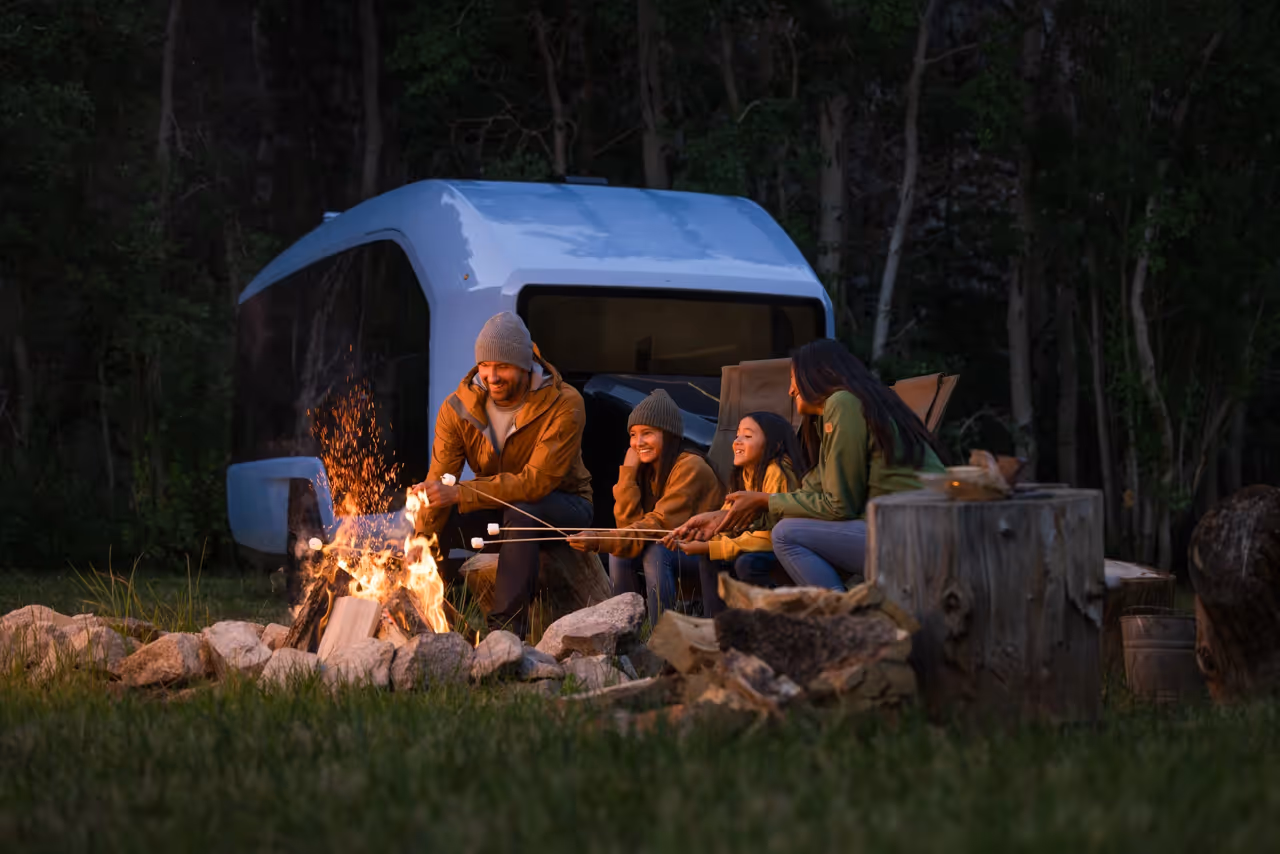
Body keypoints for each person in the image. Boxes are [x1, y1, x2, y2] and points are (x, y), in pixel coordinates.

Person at [669, 339, 945, 591]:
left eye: (794, 380)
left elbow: (838, 506)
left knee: (786, 534)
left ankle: (837, 615)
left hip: (915, 535)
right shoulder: (843, 414)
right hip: (900, 529)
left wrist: (765, 501)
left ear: (819, 374)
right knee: (787, 530)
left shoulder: (842, 403)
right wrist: (721, 517)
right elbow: (809, 496)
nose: (791, 391)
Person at [411, 311, 592, 639]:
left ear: (525, 366)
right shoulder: (457, 408)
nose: (491, 376)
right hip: (498, 506)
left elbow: (537, 483)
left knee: (523, 511)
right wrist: (421, 539)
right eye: (484, 365)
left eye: (502, 366)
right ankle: (437, 628)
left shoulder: (564, 403)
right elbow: (438, 482)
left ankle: (505, 633)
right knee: (437, 523)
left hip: (563, 506)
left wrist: (461, 493)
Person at [568, 389, 723, 624]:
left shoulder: (691, 467)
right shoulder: (646, 470)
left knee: (655, 551)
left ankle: (659, 632)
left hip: (706, 554)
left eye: (647, 433)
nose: (638, 443)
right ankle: (624, 629)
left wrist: (600, 539)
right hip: (672, 548)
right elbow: (629, 531)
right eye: (633, 434)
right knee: (621, 552)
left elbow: (658, 525)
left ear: (668, 434)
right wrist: (628, 475)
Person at [675, 411, 804, 617]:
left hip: (785, 548)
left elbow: (774, 537)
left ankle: (772, 621)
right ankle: (717, 626)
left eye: (748, 436)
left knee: (746, 563)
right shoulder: (744, 473)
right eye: (737, 435)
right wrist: (707, 538)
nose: (737, 441)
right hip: (758, 544)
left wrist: (714, 546)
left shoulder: (777, 472)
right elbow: (728, 521)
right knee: (710, 557)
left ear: (775, 446)